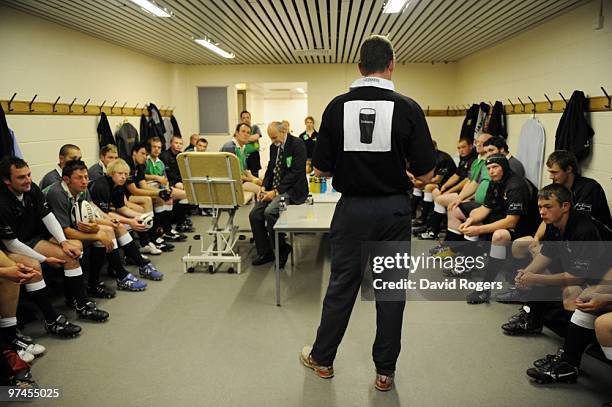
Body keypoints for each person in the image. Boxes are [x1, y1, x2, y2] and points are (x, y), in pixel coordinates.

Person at [300, 35, 435, 392]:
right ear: (392, 64)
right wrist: (400, 170)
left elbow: (322, 171)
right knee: (390, 290)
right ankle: (385, 373)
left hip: (352, 209)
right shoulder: (408, 107)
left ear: (359, 67)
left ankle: (323, 359)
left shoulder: (335, 106)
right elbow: (426, 173)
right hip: (393, 209)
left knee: (342, 285)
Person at [0, 156, 107, 333]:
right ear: (6, 180)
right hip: (8, 247)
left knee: (69, 254)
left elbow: (47, 216)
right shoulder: (2, 203)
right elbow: (11, 243)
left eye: (29, 175)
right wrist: (43, 258)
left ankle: (82, 306)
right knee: (33, 266)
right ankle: (52, 320)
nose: (27, 180)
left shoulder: (30, 188)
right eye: (21, 177)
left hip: (31, 238)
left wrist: (63, 242)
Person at [501, 183, 608, 335]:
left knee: (571, 291)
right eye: (540, 207)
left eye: (548, 207)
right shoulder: (553, 223)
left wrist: (535, 278)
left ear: (565, 206)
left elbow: (575, 278)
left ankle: (574, 342)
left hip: (604, 275)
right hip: (582, 267)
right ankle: (533, 319)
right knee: (540, 270)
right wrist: (525, 274)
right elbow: (545, 255)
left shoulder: (584, 230)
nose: (542, 212)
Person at [46, 160, 157, 293]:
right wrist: (97, 234)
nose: (84, 181)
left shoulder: (82, 189)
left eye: (86, 177)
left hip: (74, 225)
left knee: (113, 227)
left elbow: (93, 209)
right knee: (104, 233)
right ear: (66, 179)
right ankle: (115, 277)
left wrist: (110, 221)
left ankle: (127, 270)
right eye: (79, 178)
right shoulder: (58, 193)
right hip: (49, 234)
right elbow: (65, 231)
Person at [455, 154, 539, 303]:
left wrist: (479, 230)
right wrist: (471, 221)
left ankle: (485, 288)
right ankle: (467, 266)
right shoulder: (495, 182)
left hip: (528, 226)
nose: (491, 171)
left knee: (499, 236)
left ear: (504, 167)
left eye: (495, 167)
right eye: (488, 168)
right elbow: (486, 207)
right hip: (509, 219)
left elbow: (511, 222)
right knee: (474, 218)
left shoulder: (516, 185)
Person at [248, 121, 307, 267]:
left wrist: (276, 192)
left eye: (275, 138)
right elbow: (270, 170)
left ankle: (282, 249)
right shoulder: (273, 148)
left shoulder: (297, 144)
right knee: (254, 214)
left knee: (270, 212)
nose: (273, 141)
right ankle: (265, 252)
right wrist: (263, 187)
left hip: (292, 190)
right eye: (271, 138)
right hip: (273, 189)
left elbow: (296, 172)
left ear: (283, 131)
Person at [220, 123, 262, 194]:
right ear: (236, 133)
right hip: (231, 183)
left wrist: (256, 179)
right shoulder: (230, 147)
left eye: (248, 133)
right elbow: (233, 174)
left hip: (240, 181)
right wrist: (252, 180)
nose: (246, 134)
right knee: (263, 192)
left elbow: (244, 170)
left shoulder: (242, 148)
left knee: (265, 186)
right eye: (243, 131)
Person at [240, 110, 262, 177]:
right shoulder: (239, 129)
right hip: (243, 155)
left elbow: (255, 137)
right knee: (244, 175)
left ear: (250, 118)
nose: (246, 119)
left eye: (247, 117)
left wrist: (244, 139)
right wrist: (249, 139)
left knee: (254, 176)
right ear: (241, 119)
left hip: (253, 156)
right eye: (244, 118)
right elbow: (237, 140)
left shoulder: (255, 127)